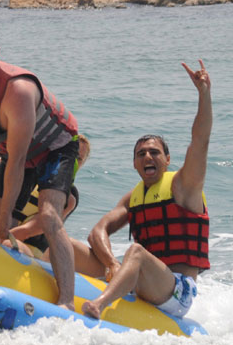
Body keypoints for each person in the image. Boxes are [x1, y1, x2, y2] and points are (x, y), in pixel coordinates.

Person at [0, 23, 80, 309]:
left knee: (48, 216)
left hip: (54, 149)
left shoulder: (18, 90)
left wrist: (5, 215)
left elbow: (19, 160)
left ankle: (67, 301)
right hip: (13, 153)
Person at [75, 60, 211, 320]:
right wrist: (112, 264)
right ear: (134, 163)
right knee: (67, 245)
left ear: (167, 160)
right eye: (141, 154)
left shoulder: (183, 186)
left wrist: (204, 94)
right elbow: (97, 232)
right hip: (144, 281)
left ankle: (98, 305)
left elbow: (200, 141)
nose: (148, 156)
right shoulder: (133, 198)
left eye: (154, 152)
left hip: (177, 292)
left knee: (135, 252)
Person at [0, 134, 90, 256]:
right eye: (70, 153)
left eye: (78, 158)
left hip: (32, 252)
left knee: (7, 244)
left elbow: (27, 231)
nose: (72, 160)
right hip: (3, 237)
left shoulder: (69, 198)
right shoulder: (27, 173)